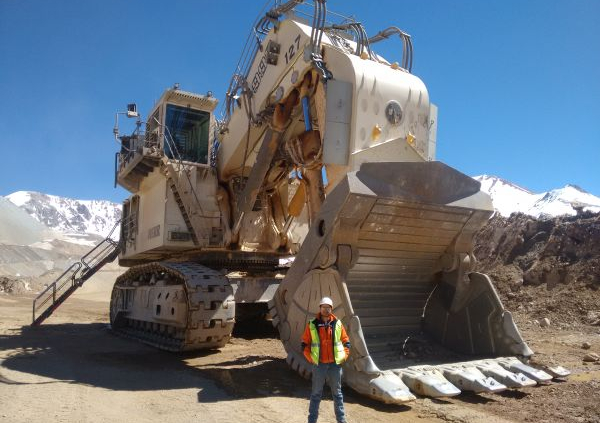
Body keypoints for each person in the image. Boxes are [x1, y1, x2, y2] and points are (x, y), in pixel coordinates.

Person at [301, 296, 351, 423]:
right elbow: (304, 344)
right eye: (323, 307)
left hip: (335, 365)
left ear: (331, 309)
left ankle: (341, 420)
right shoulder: (313, 324)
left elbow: (346, 342)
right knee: (316, 394)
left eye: (328, 307)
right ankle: (312, 420)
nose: (326, 309)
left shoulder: (337, 323)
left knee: (337, 394)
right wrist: (311, 358)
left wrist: (344, 356)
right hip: (319, 365)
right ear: (320, 308)